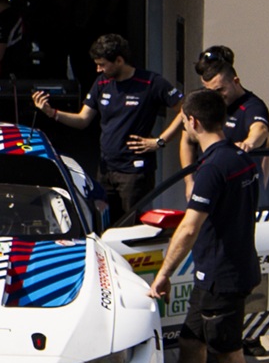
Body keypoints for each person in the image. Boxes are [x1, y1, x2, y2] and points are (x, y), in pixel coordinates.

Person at [149, 90, 260, 363]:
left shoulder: (212, 168)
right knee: (192, 343)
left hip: (220, 276)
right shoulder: (242, 159)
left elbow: (189, 227)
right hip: (221, 271)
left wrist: (163, 274)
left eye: (183, 121)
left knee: (228, 353)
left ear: (192, 122)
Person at [32, 34, 183, 226]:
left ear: (119, 60)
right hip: (105, 169)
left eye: (102, 64)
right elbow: (83, 119)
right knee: (102, 223)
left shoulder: (151, 82)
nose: (98, 69)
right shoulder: (102, 83)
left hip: (133, 172)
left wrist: (160, 141)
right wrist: (52, 113)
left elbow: (186, 109)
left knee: (130, 226)